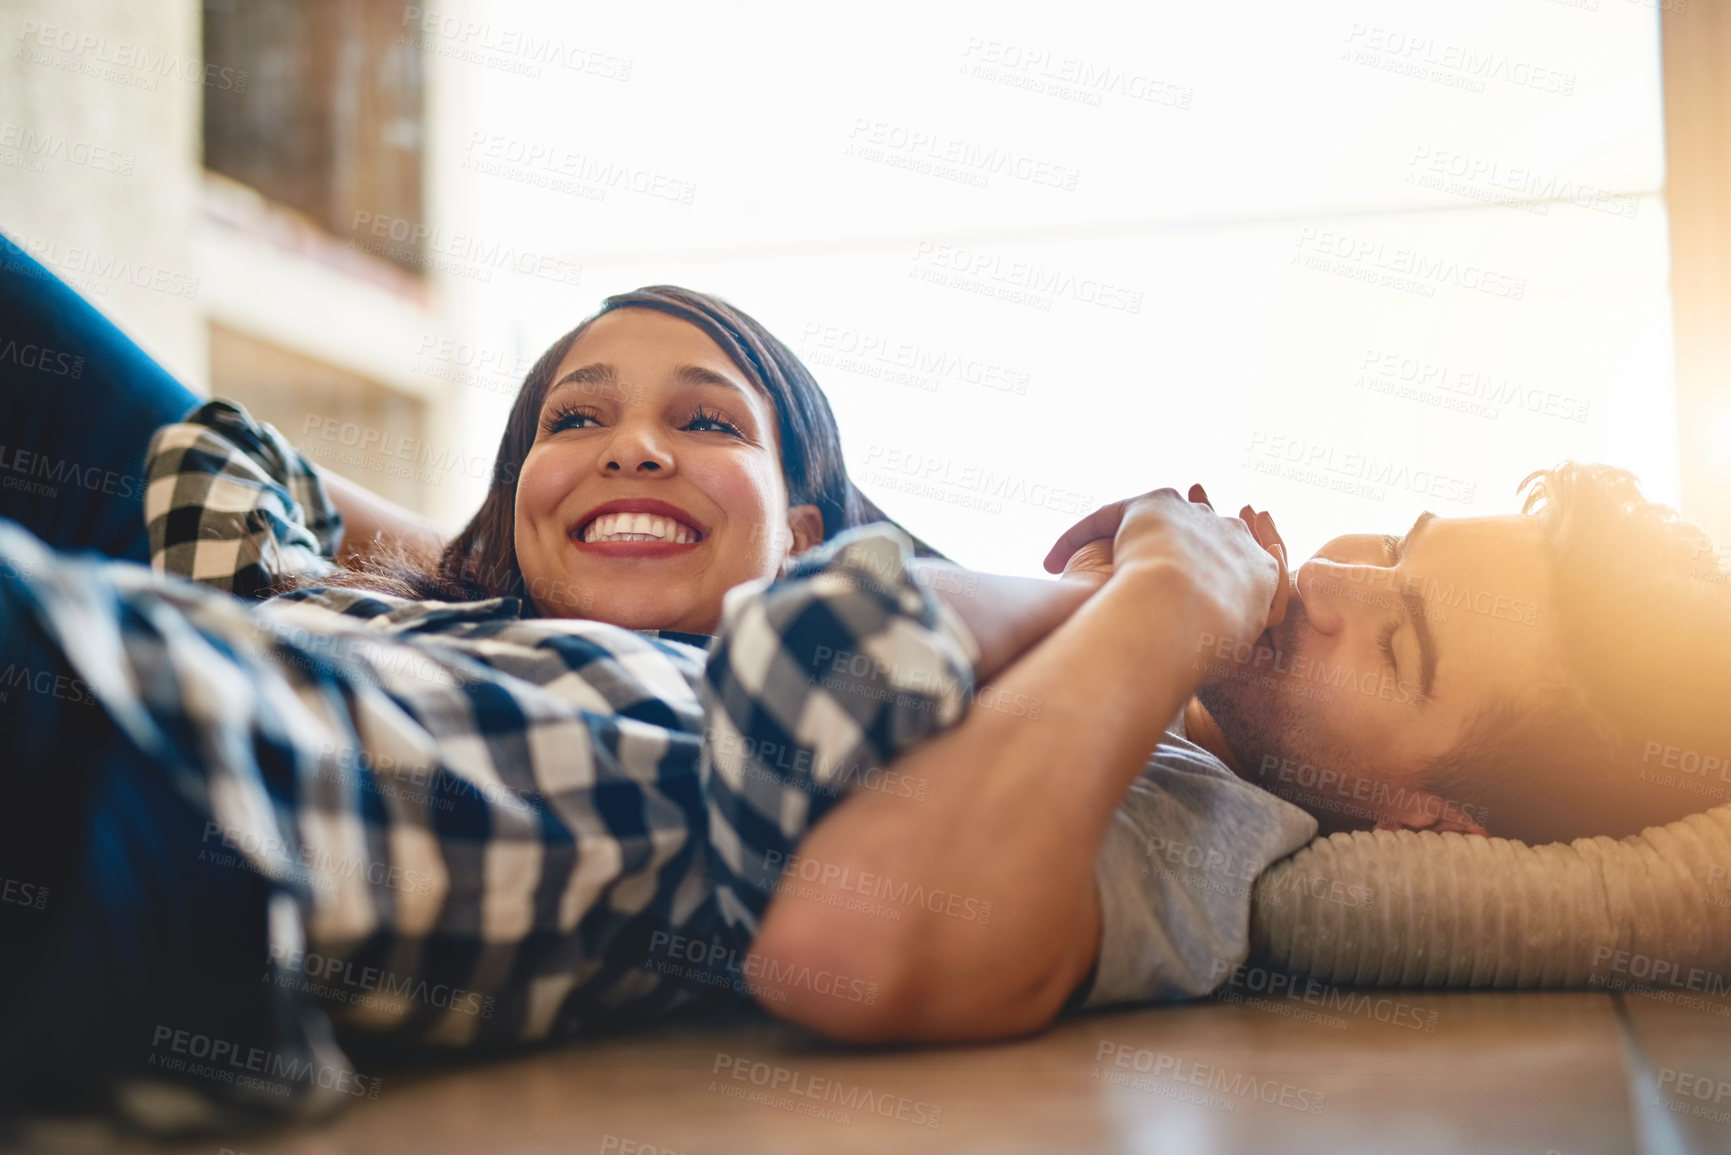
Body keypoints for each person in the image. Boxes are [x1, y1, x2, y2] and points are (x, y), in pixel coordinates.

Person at [0, 239, 1313, 1132]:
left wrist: (1139, 585)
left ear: (808, 532)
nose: (630, 443)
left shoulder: (790, 697)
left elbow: (822, 667)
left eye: (706, 422)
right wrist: (495, 558)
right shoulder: (400, 608)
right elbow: (228, 482)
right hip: (146, 652)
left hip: (160, 783)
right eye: (573, 420)